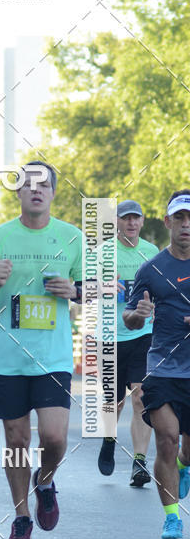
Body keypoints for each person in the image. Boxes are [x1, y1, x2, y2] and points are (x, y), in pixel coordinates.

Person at [0, 161, 83, 539]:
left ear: (53, 192)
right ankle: (20, 518)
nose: (36, 190)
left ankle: (46, 481)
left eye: (44, 185)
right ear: (18, 192)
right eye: (28, 185)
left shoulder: (72, 237)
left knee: (54, 438)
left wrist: (75, 291)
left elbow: (97, 290)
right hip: (6, 358)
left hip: (52, 358)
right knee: (15, 440)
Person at [123, 190, 190, 539]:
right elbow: (130, 317)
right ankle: (171, 519)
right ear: (167, 222)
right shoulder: (150, 269)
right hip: (162, 366)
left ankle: (183, 465)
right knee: (166, 439)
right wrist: (138, 315)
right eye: (179, 218)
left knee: (184, 451)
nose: (186, 225)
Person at [97, 201, 159, 484]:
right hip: (109, 336)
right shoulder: (102, 253)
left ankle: (139, 462)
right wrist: (102, 285)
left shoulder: (152, 253)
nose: (131, 224)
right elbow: (83, 288)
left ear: (142, 222)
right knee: (114, 402)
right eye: (126, 219)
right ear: (117, 223)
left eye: (136, 219)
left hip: (143, 335)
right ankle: (109, 438)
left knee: (140, 397)